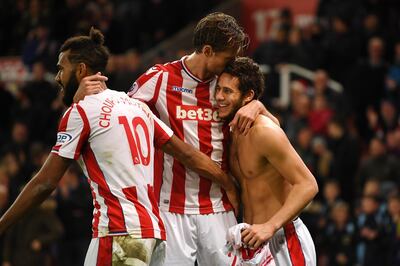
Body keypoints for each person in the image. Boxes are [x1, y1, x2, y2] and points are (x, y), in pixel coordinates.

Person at [0, 28, 238, 266]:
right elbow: (187, 153)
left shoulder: (80, 111)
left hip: (117, 233)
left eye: (61, 68)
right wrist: (226, 180)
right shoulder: (135, 106)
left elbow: (45, 183)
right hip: (153, 233)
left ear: (81, 69)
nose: (57, 76)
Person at [75, 12, 278, 265]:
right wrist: (85, 97)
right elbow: (120, 115)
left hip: (218, 207)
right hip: (169, 209)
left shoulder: (226, 85)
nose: (233, 62)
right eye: (229, 57)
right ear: (207, 50)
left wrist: (258, 107)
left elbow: (274, 128)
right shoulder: (160, 79)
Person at [216, 57, 318, 265]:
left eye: (227, 91)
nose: (219, 97)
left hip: (283, 238)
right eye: (218, 89)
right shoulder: (230, 129)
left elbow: (308, 185)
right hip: (250, 240)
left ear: (248, 96)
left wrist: (270, 226)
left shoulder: (263, 131)